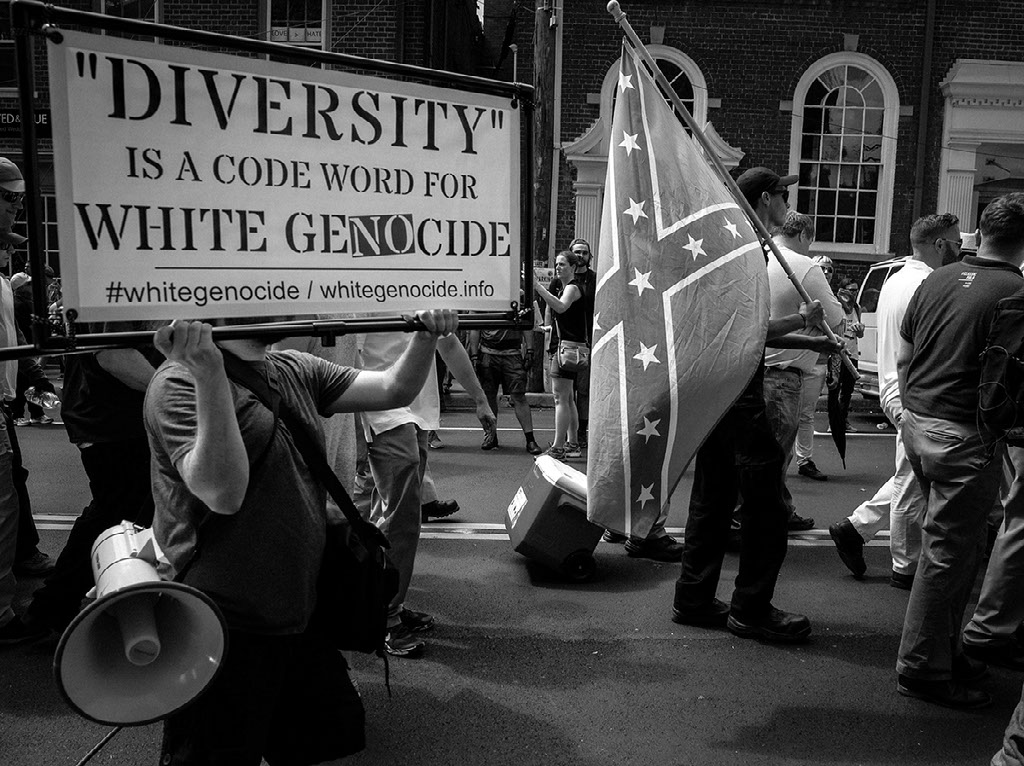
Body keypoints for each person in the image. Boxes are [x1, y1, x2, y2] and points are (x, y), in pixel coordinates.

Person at [145, 310, 459, 764]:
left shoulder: (293, 366)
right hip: (221, 625)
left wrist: (426, 335)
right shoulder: (177, 382)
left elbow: (394, 389)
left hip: (297, 611)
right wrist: (209, 373)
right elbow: (223, 493)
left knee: (322, 741)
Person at [672, 166, 836, 643]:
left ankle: (693, 597)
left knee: (713, 498)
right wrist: (802, 320)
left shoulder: (727, 244)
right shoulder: (746, 249)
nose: (789, 204)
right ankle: (751, 609)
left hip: (715, 392)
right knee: (766, 509)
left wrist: (808, 338)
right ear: (766, 198)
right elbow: (746, 330)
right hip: (741, 397)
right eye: (784, 195)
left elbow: (741, 332)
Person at [895, 193, 1024, 709]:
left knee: (956, 549)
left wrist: (912, 410)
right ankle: (922, 668)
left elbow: (905, 355)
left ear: (981, 231)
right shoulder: (1016, 291)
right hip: (964, 435)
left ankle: (945, 651)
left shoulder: (937, 278)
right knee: (948, 555)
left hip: (919, 423)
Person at [828, 214, 960, 586]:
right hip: (911, 391)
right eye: (956, 243)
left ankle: (857, 528)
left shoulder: (896, 279)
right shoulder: (928, 284)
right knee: (911, 479)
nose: (960, 250)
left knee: (912, 473)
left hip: (894, 386)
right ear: (940, 245)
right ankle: (903, 565)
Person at [352, 328, 495, 657]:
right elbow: (351, 358)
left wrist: (480, 398)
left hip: (416, 411)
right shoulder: (363, 297)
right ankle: (385, 615)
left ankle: (382, 603)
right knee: (400, 519)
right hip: (380, 408)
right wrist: (356, 426)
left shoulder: (424, 296)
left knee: (382, 516)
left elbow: (448, 343)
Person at [23, 323, 163, 636]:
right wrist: (176, 388)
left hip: (115, 418)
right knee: (114, 513)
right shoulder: (109, 297)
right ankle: (51, 608)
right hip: (113, 421)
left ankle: (58, 606)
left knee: (123, 511)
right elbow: (112, 355)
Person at [763, 211, 843, 531]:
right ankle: (764, 521)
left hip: (751, 370)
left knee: (757, 454)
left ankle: (779, 510)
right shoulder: (804, 266)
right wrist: (809, 325)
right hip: (783, 376)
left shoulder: (759, 256)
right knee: (775, 456)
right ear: (803, 235)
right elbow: (834, 318)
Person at [535, 250, 587, 459]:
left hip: (566, 348)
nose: (558, 267)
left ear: (573, 267)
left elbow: (561, 307)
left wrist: (537, 287)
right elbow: (567, 320)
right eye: (557, 264)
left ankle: (558, 447)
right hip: (566, 346)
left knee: (560, 398)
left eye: (563, 264)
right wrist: (547, 329)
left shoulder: (572, 288)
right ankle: (572, 443)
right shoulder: (565, 288)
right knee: (568, 398)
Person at [469, 322, 542, 455]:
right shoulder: (482, 306)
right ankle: (491, 436)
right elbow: (476, 326)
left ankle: (530, 439)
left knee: (519, 396)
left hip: (512, 353)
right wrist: (474, 355)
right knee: (489, 396)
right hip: (488, 352)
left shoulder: (520, 306)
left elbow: (526, 323)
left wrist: (530, 349)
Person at [793, 254, 835, 482]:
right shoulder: (799, 293)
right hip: (794, 360)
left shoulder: (833, 299)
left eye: (829, 269)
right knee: (784, 413)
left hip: (818, 362)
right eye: (822, 269)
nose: (826, 273)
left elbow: (838, 329)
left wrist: (833, 370)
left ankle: (805, 459)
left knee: (806, 414)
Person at [827, 278, 864, 434]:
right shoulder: (836, 306)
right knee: (834, 389)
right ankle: (833, 422)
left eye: (856, 290)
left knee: (847, 390)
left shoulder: (856, 308)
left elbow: (860, 335)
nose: (854, 293)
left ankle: (843, 420)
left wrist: (860, 330)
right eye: (851, 290)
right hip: (838, 353)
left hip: (852, 352)